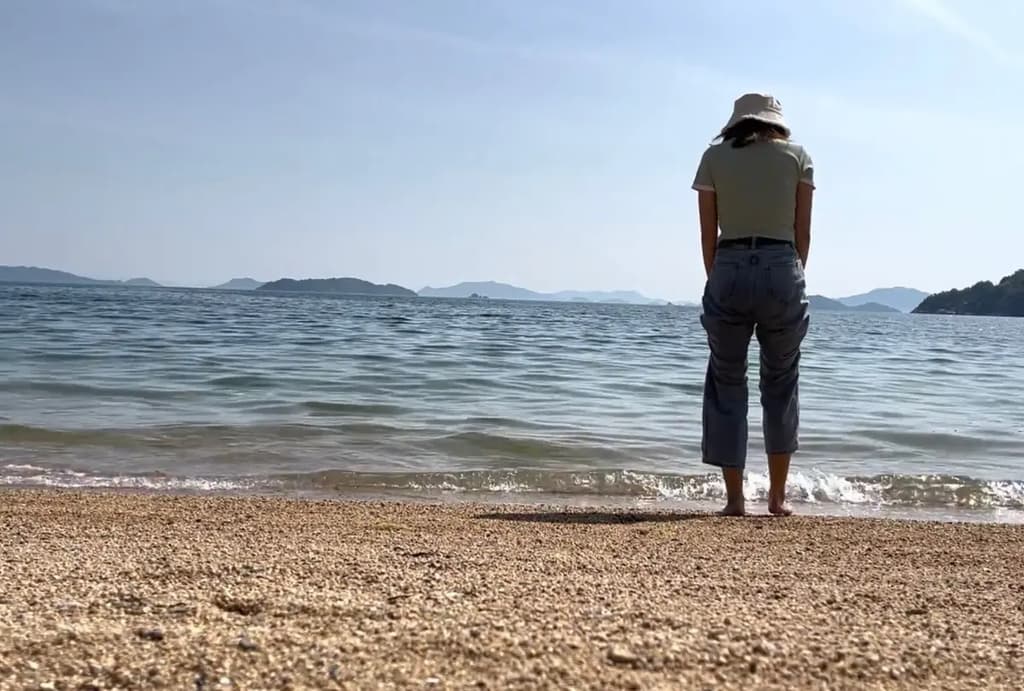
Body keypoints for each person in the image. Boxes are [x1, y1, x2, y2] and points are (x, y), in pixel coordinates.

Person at [691, 93, 814, 517]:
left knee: (727, 383)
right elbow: (803, 233)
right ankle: (777, 498)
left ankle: (734, 500)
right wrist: (791, 273)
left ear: (736, 122)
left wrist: (718, 276)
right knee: (781, 383)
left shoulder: (713, 158)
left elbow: (708, 233)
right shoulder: (798, 157)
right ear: (776, 122)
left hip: (728, 265)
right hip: (782, 266)